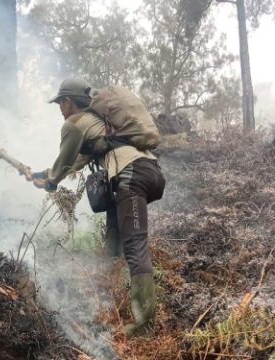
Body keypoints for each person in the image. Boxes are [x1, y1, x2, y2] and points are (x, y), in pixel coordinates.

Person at [27, 78, 166, 338]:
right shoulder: (101, 125)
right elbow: (77, 162)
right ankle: (112, 290)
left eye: (60, 102)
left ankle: (144, 326)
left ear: (68, 101)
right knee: (114, 233)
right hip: (149, 172)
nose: (59, 108)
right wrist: (44, 174)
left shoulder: (74, 124)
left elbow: (64, 163)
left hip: (131, 176)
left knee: (135, 245)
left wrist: (50, 182)